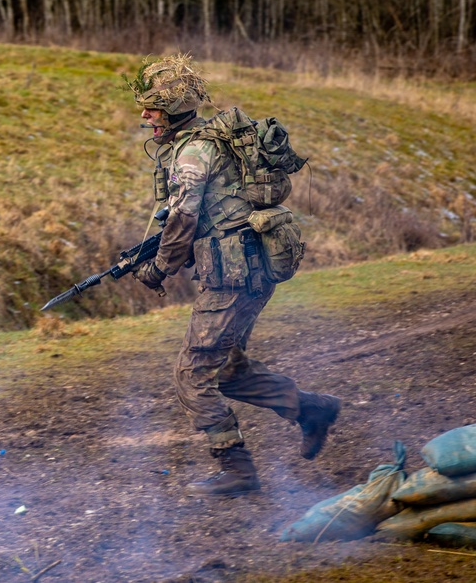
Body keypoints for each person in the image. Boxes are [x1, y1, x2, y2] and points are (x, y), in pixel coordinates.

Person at [124, 54, 341, 496]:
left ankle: (237, 468)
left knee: (192, 373)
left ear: (174, 108)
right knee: (227, 370)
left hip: (233, 273)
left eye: (151, 107)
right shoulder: (202, 141)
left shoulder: (193, 151)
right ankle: (312, 410)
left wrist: (159, 269)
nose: (144, 116)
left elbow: (182, 220)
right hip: (249, 267)